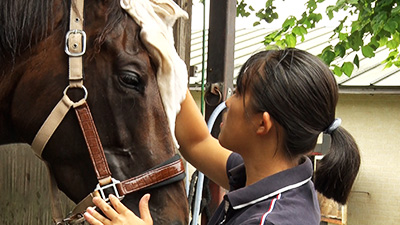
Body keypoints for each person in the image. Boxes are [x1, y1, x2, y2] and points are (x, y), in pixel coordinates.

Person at [83, 48, 361, 225]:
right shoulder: (269, 178)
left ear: (262, 124)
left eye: (239, 93)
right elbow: (197, 142)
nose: (228, 102)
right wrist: (163, 51)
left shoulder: (270, 220)